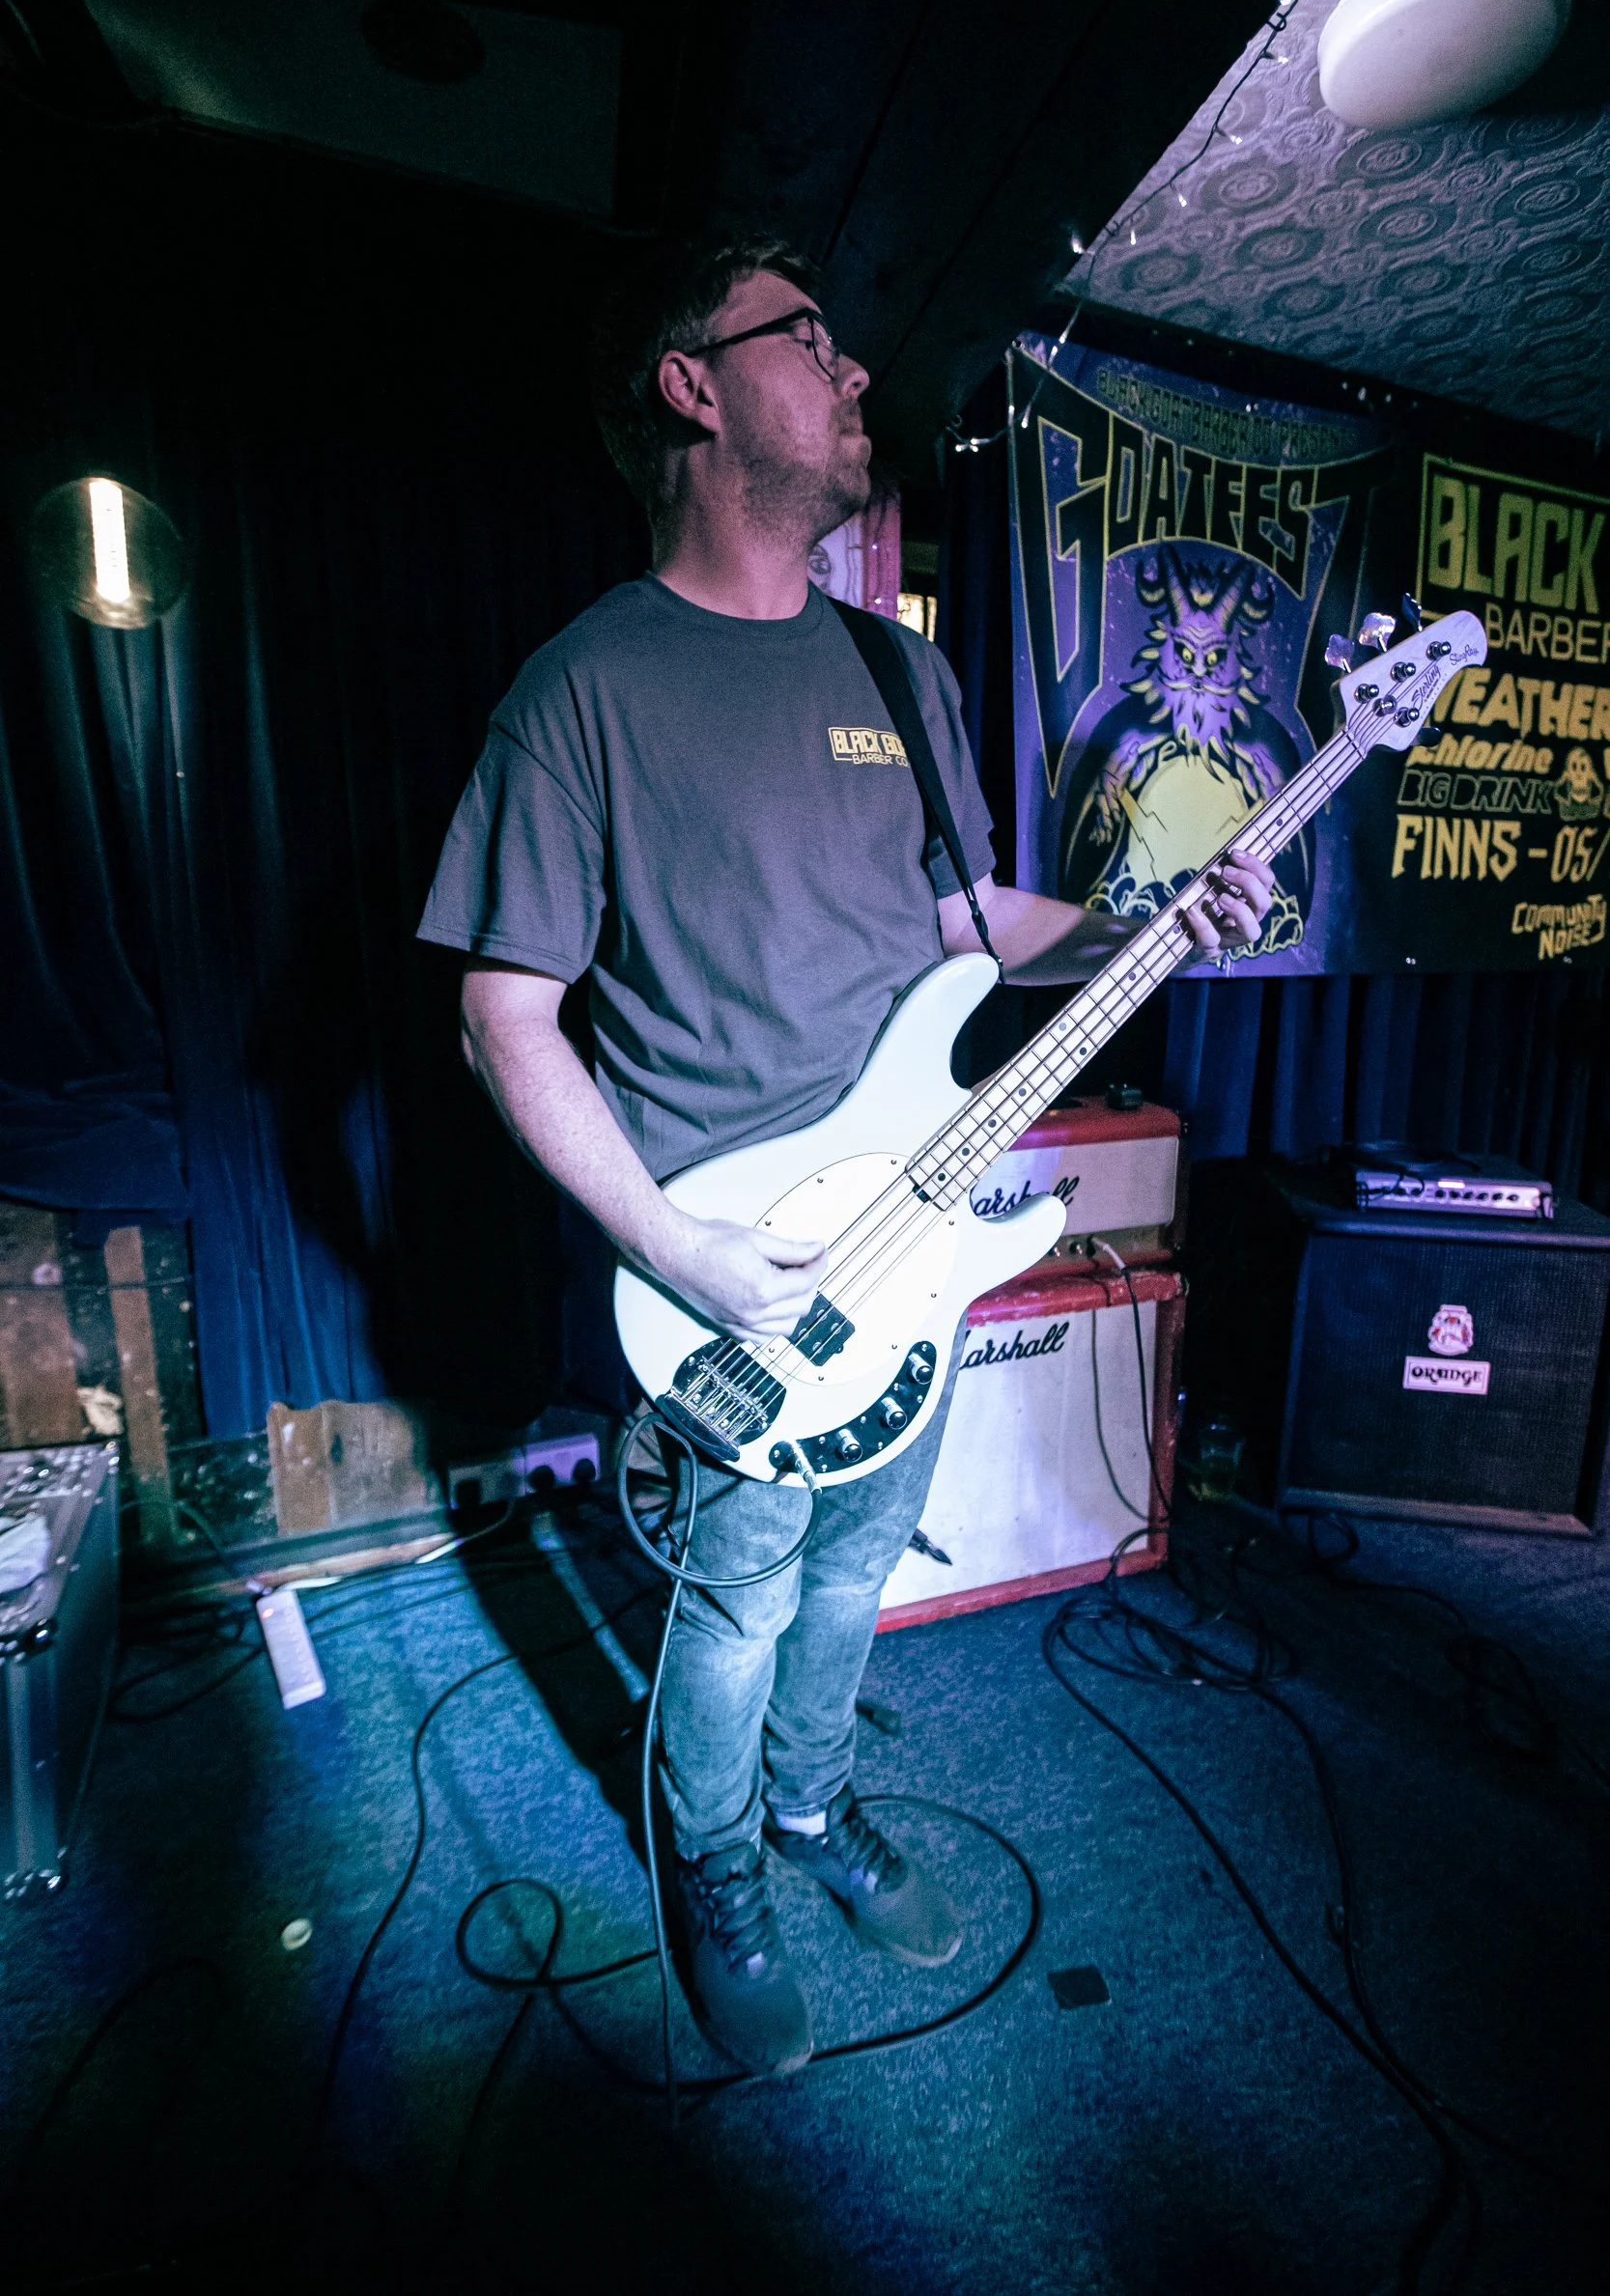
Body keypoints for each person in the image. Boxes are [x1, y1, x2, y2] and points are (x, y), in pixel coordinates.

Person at [418, 237, 1275, 2077]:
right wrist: (678, 1250)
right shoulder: (585, 687)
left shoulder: (896, 668)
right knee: (735, 1591)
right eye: (808, 336)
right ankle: (713, 1859)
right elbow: (503, 1011)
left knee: (858, 1559)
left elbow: (971, 919)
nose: (856, 372)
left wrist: (1151, 909)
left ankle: (811, 1812)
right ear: (691, 384)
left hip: (930, 1216)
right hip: (741, 1256)